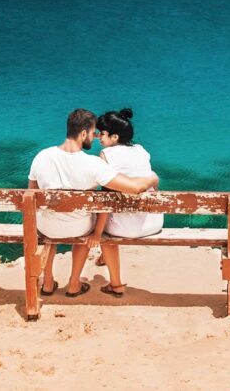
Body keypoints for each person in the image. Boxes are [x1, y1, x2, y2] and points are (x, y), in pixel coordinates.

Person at [28, 108, 159, 298]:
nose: (95, 136)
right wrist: (152, 179)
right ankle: (74, 284)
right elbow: (134, 187)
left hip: (47, 226)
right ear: (83, 134)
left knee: (49, 225)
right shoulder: (93, 164)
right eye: (92, 133)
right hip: (79, 229)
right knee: (87, 228)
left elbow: (32, 192)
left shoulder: (42, 156)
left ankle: (48, 283)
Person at [88, 108, 163, 298]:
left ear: (114, 137)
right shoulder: (141, 150)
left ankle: (115, 284)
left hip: (127, 229)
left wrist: (97, 234)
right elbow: (154, 185)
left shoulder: (106, 155)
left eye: (102, 134)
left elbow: (106, 200)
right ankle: (104, 257)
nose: (98, 138)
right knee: (118, 210)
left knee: (104, 228)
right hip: (153, 223)